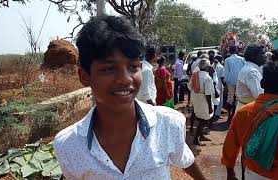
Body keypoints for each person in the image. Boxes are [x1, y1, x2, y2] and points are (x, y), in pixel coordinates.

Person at [54, 15, 207, 180]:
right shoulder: (69, 145)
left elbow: (186, 160)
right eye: (109, 69)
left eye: (133, 67)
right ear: (84, 76)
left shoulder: (168, 124)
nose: (126, 79)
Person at [221, 61, 278, 180]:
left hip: (251, 173)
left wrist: (230, 171)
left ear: (262, 83)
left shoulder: (244, 112)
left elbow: (231, 144)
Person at [188, 58, 215, 146]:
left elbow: (189, 87)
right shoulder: (207, 78)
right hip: (203, 100)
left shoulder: (195, 75)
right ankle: (196, 139)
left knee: (199, 116)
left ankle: (201, 135)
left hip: (196, 98)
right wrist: (210, 107)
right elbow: (208, 94)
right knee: (203, 120)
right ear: (208, 67)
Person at [235, 44, 265, 110]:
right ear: (254, 56)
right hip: (248, 110)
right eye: (262, 54)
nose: (264, 56)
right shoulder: (252, 72)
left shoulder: (249, 68)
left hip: (245, 107)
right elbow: (259, 95)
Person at [224, 46, 246, 121]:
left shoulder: (227, 60)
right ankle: (235, 115)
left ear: (229, 51)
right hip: (240, 81)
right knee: (238, 98)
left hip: (231, 81)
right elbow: (244, 70)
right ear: (237, 51)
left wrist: (226, 83)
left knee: (230, 97)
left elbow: (226, 73)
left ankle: (229, 115)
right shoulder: (242, 59)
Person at [213, 55, 226, 119]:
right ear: (220, 60)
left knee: (213, 100)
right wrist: (225, 86)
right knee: (219, 101)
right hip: (219, 86)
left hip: (212, 85)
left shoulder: (211, 65)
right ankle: (217, 114)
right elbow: (222, 78)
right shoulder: (221, 67)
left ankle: (213, 114)